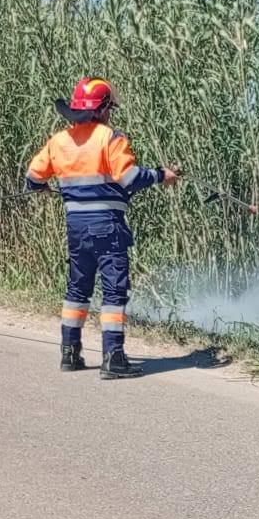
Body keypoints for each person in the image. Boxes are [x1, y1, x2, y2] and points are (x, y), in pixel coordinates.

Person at [25, 78, 180, 378]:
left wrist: (41, 186)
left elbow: (33, 177)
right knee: (113, 290)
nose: (110, 114)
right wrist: (161, 175)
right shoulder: (110, 138)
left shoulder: (59, 141)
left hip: (76, 227)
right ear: (102, 109)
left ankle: (70, 353)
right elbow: (130, 178)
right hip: (107, 225)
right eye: (109, 108)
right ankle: (113, 358)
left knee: (77, 287)